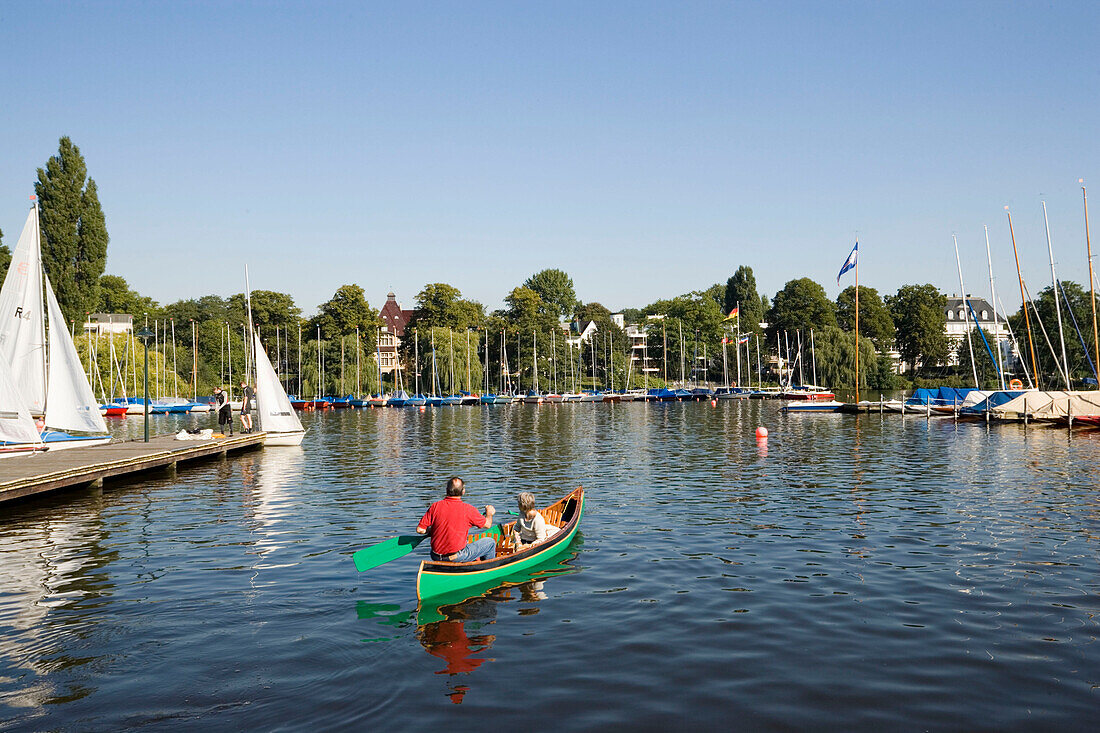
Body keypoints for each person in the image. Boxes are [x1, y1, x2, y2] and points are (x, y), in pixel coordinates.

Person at [417, 477, 497, 562]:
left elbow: (420, 530)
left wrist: (432, 530)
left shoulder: (435, 506)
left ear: (447, 490)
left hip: (435, 556)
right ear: (463, 491)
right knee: (490, 542)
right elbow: (488, 525)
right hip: (456, 557)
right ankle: (486, 568)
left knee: (465, 542)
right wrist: (489, 513)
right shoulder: (468, 509)